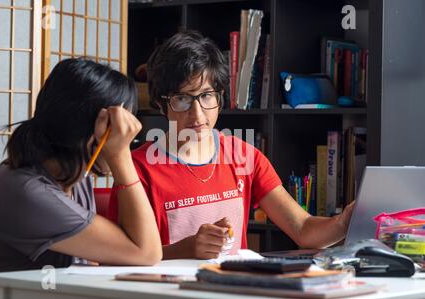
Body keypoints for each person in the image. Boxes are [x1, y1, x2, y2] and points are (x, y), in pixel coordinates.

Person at [107, 31, 355, 260]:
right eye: (182, 99)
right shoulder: (136, 170)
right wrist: (186, 249)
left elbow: (302, 229)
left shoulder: (244, 156)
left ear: (220, 96)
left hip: (233, 290)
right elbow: (120, 258)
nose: (197, 114)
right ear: (161, 105)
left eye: (206, 96)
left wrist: (343, 222)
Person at [0, 58, 162, 299]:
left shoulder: (72, 177)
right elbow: (146, 252)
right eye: (119, 127)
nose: (127, 136)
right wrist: (121, 156)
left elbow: (121, 255)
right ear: (92, 131)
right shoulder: (26, 192)